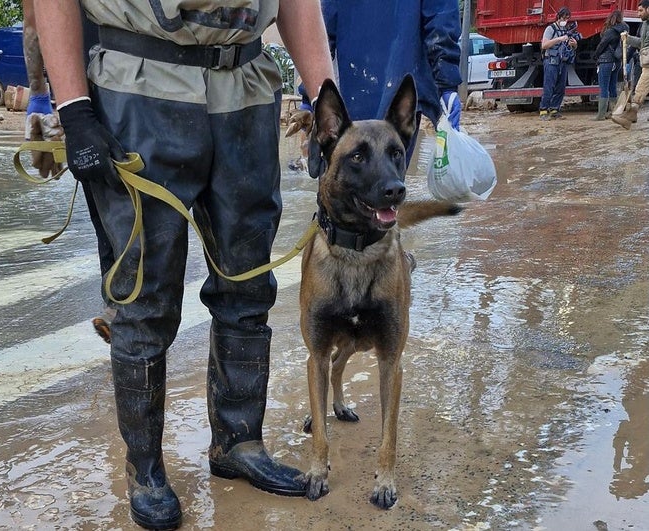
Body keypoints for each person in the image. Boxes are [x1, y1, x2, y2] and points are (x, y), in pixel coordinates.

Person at [33, 2, 334, 529]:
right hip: (139, 87)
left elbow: (297, 3)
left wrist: (330, 108)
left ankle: (238, 442)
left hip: (245, 86)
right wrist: (74, 108)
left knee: (248, 285)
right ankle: (145, 469)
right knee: (143, 296)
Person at [22, 0, 117, 343]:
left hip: (86, 102)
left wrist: (38, 95)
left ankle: (120, 308)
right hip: (101, 99)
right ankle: (121, 310)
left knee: (111, 219)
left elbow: (33, 20)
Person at [321, 0, 462, 166]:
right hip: (402, 86)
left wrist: (310, 96)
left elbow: (321, 24)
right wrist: (447, 84)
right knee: (389, 174)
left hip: (351, 90)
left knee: (342, 175)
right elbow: (441, 18)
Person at [539, 7, 581, 121]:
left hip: (563, 62)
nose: (565, 20)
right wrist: (559, 39)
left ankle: (554, 110)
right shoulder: (550, 29)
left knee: (561, 88)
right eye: (564, 18)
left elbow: (571, 47)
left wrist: (574, 44)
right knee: (549, 87)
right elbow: (544, 45)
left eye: (567, 18)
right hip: (551, 61)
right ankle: (543, 110)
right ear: (558, 17)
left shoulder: (566, 30)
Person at [613, 0, 649, 129]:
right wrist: (628, 38)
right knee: (641, 87)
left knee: (641, 88)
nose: (638, 14)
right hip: (646, 62)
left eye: (641, 10)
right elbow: (642, 43)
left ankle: (631, 114)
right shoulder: (644, 25)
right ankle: (631, 115)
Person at [593, 10, 630, 120]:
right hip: (617, 61)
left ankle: (601, 114)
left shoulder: (610, 31)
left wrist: (596, 55)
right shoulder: (625, 29)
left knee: (603, 87)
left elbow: (602, 44)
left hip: (605, 61)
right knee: (612, 86)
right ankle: (614, 112)